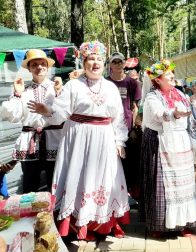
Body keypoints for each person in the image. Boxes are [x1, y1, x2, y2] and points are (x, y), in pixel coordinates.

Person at [28, 41, 130, 241]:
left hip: (105, 139)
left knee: (103, 178)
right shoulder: (73, 85)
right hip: (78, 139)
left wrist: (120, 142)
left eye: (99, 59)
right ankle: (78, 225)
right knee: (80, 177)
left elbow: (118, 118)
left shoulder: (110, 87)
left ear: (105, 63)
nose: (95, 63)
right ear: (83, 63)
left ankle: (102, 225)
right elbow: (60, 112)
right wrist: (46, 110)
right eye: (91, 59)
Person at [139, 59, 196, 237]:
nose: (173, 76)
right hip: (160, 143)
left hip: (180, 143)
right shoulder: (152, 97)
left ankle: (182, 223)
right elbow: (159, 114)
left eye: (172, 73)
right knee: (161, 184)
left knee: (183, 183)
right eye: (168, 74)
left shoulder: (180, 94)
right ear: (158, 79)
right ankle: (158, 225)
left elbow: (190, 115)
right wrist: (173, 113)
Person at [0, 49, 63, 193]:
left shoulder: (57, 88)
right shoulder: (25, 91)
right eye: (34, 64)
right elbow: (12, 115)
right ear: (29, 68)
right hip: (30, 143)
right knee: (29, 186)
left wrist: (59, 93)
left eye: (43, 64)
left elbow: (66, 113)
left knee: (56, 185)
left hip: (54, 141)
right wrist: (17, 93)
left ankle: (55, 214)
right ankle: (30, 216)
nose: (39, 67)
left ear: (48, 66)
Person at [106, 52, 142, 199]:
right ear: (110, 65)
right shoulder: (105, 82)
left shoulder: (132, 83)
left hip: (127, 128)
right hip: (107, 127)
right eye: (114, 62)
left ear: (124, 64)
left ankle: (127, 193)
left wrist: (134, 126)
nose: (118, 64)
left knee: (128, 162)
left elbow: (135, 107)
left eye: (120, 62)